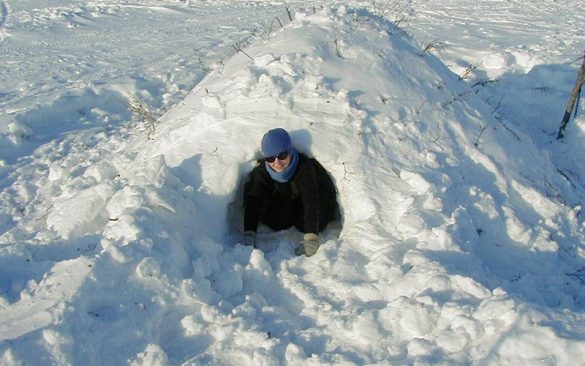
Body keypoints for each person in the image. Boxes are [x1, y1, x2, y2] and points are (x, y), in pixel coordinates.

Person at [240, 128, 339, 256]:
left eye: (282, 155)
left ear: (290, 152)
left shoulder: (304, 166)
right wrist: (249, 233)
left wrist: (311, 238)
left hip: (308, 199)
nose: (277, 163)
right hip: (285, 198)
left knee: (307, 223)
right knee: (276, 222)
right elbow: (254, 198)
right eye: (270, 158)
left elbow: (311, 199)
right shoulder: (263, 171)